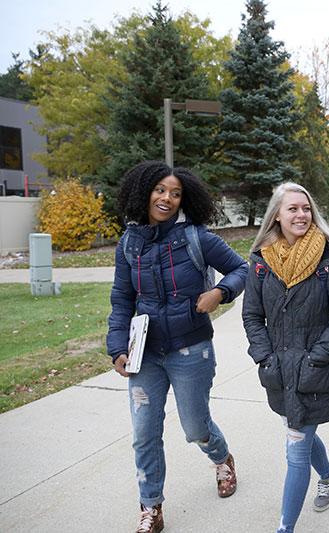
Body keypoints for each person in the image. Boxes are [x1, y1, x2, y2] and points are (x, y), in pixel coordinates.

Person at [107, 161, 248, 533]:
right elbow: (122, 298)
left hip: (191, 349)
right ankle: (150, 507)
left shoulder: (196, 238)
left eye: (175, 193)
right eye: (160, 190)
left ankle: (221, 457)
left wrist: (220, 292)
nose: (167, 198)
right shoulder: (129, 243)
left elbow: (242, 269)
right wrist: (117, 346)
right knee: (144, 433)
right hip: (146, 354)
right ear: (144, 193)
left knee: (195, 426)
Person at [242, 182, 329, 533]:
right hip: (277, 368)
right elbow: (251, 316)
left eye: (306, 208)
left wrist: (316, 358)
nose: (301, 215)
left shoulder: (328, 259)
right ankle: (328, 475)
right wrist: (264, 357)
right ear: (277, 215)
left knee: (295, 447)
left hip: (313, 370)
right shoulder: (261, 261)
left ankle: (285, 528)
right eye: (293, 209)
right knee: (300, 427)